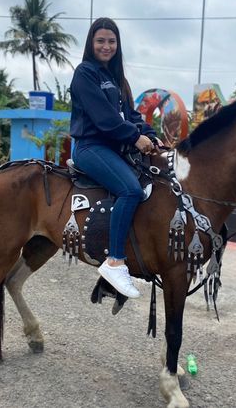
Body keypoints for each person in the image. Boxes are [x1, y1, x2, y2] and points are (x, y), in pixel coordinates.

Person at [70, 17, 161, 299]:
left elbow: (131, 116)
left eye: (111, 41)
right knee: (131, 190)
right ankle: (115, 262)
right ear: (91, 43)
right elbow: (104, 118)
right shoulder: (85, 74)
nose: (106, 46)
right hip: (90, 147)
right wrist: (134, 137)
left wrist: (151, 135)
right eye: (101, 41)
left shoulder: (118, 79)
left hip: (114, 149)